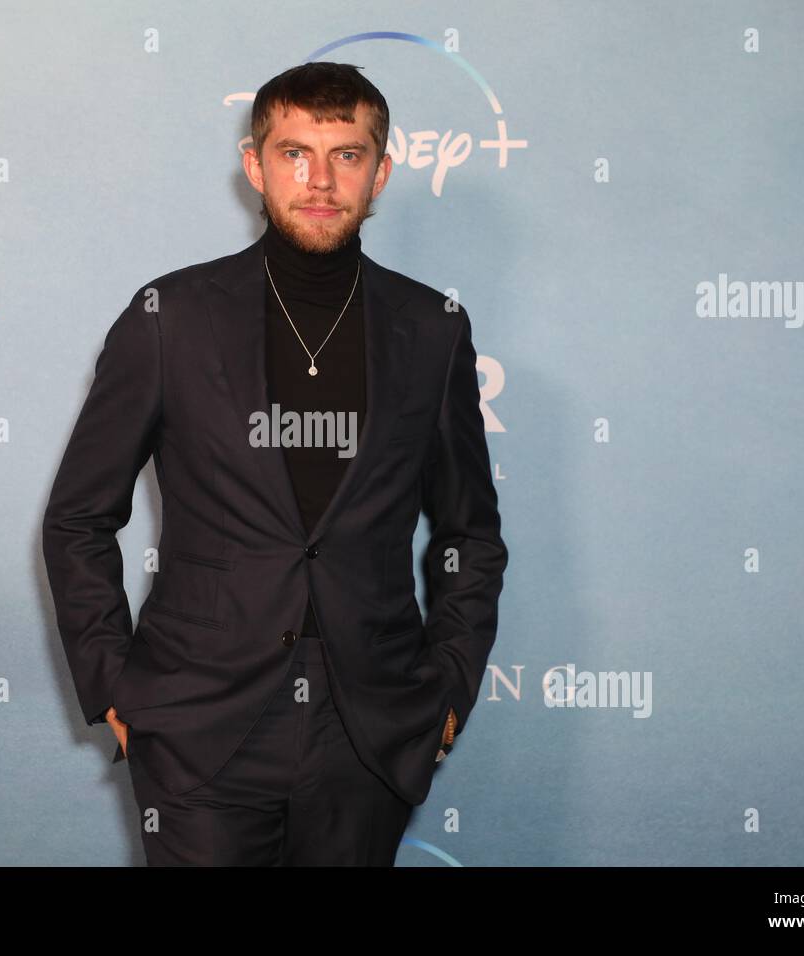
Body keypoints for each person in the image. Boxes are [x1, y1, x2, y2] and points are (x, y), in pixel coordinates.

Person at [42, 62, 508, 865]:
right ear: (255, 165)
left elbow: (470, 532)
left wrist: (450, 688)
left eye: (348, 155)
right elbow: (79, 519)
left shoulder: (432, 329)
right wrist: (117, 685)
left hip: (368, 728)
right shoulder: (169, 319)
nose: (320, 179)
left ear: (381, 172)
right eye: (295, 153)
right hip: (200, 723)